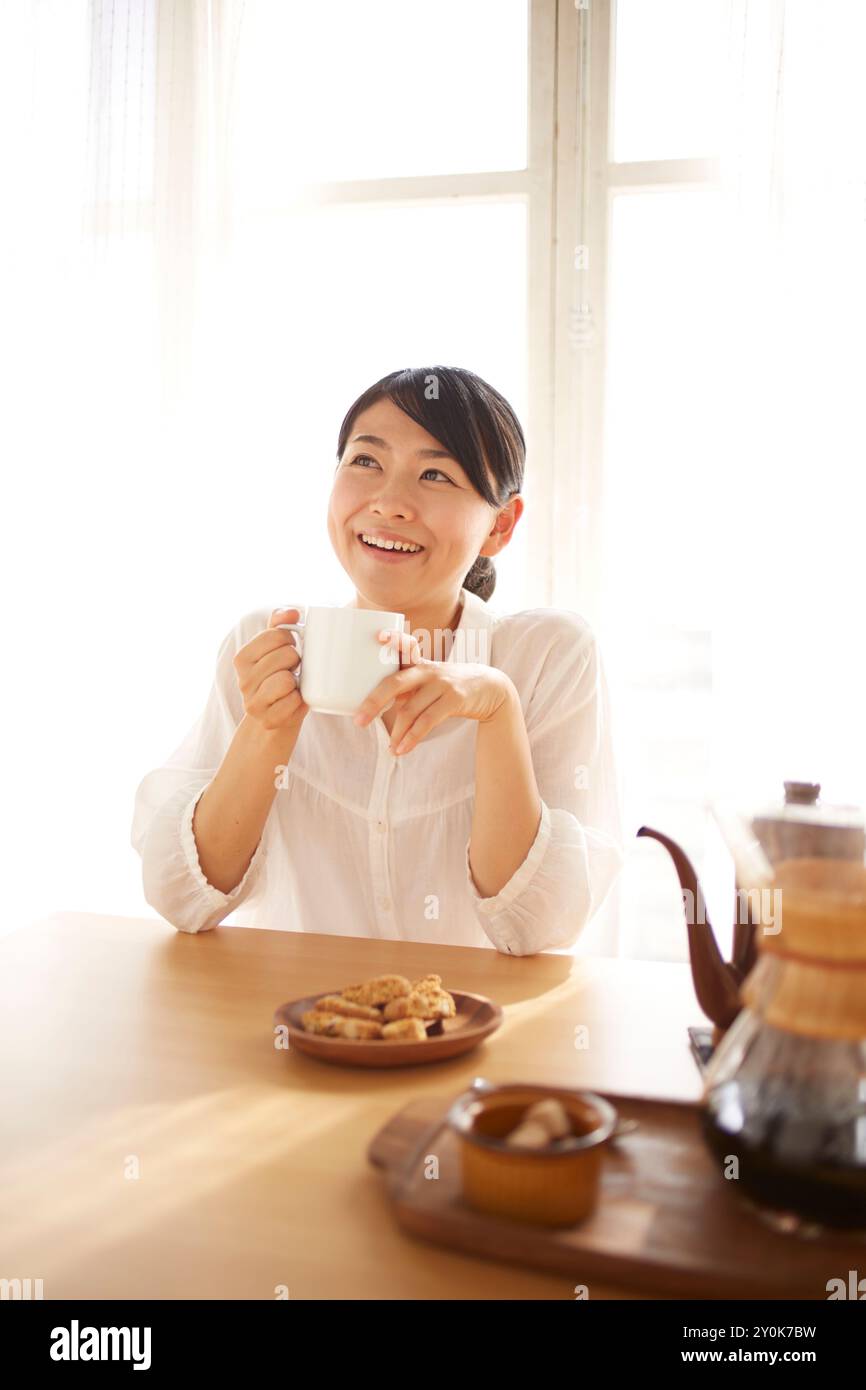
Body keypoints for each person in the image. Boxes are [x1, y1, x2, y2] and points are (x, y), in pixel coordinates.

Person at [131, 366, 624, 953]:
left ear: (500, 525)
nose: (389, 503)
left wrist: (497, 712)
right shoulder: (265, 646)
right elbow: (183, 900)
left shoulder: (548, 656)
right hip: (299, 1030)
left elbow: (534, 930)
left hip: (475, 1036)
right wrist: (266, 732)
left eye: (436, 474)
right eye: (365, 462)